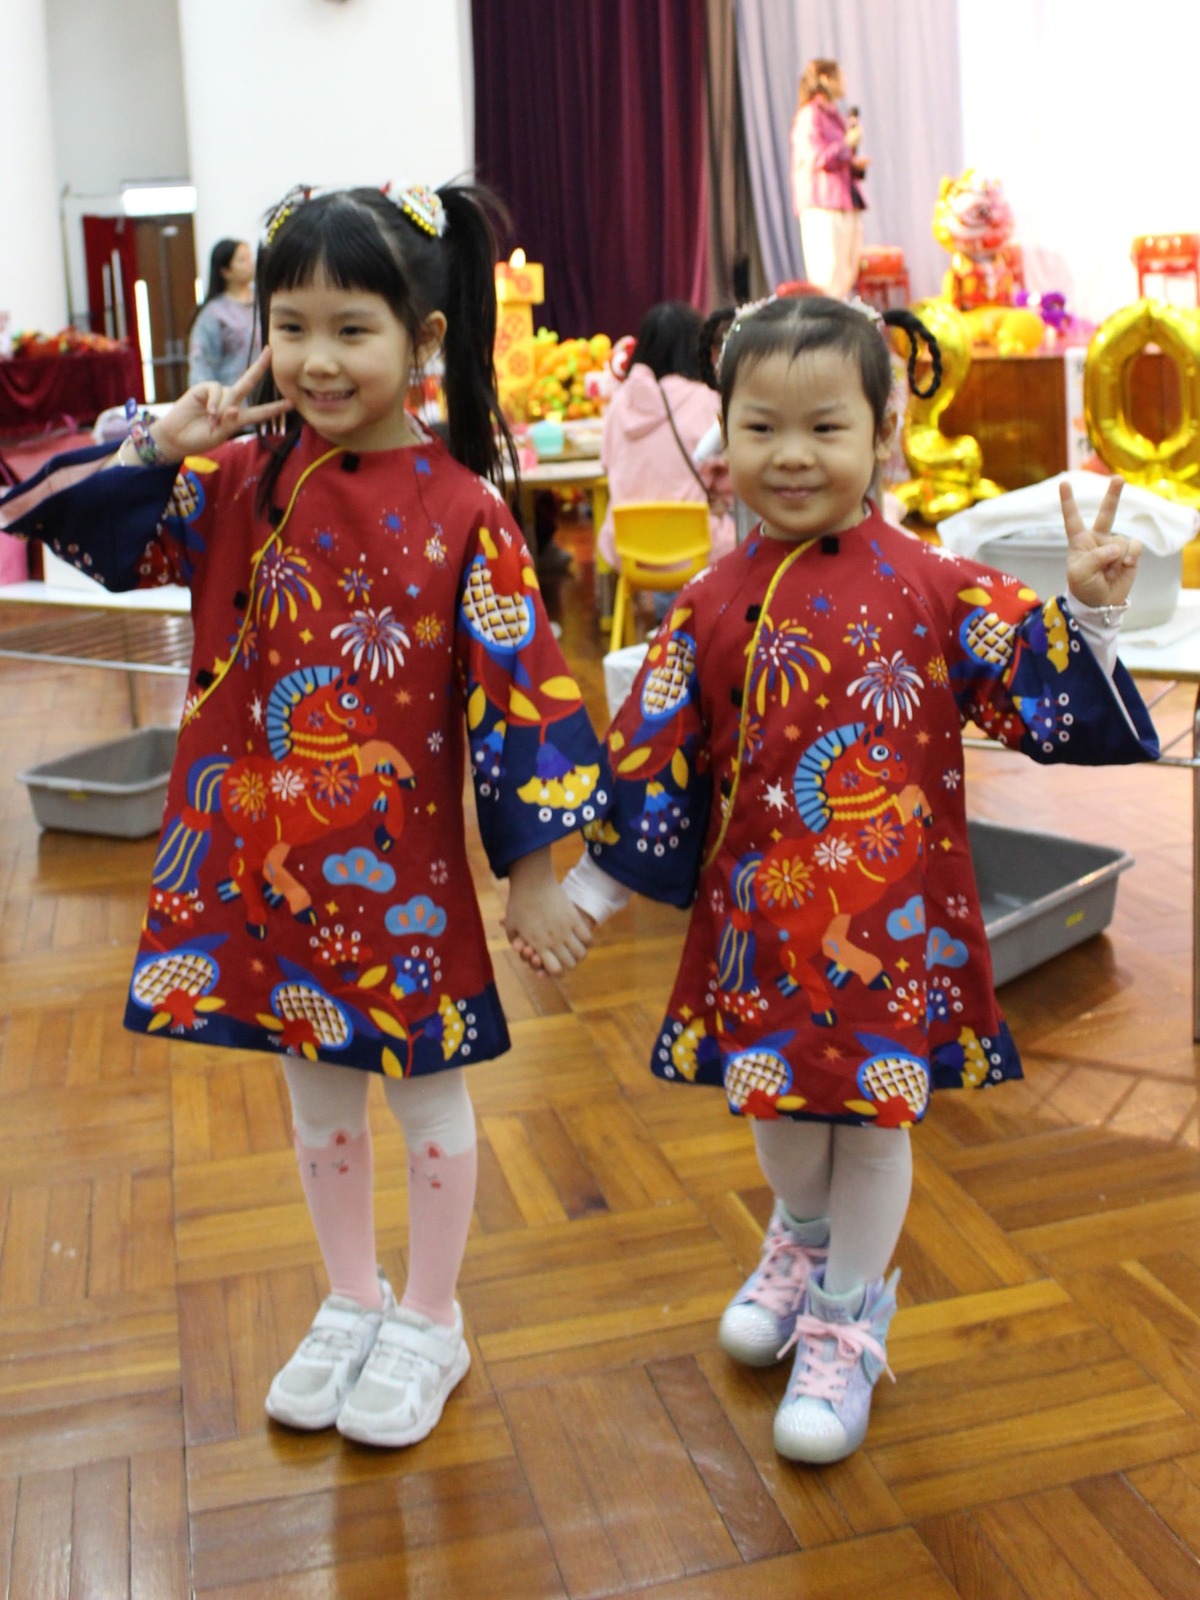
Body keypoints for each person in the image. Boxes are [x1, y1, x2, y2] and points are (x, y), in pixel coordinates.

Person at [1, 180, 604, 1449]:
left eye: (350, 329)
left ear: (422, 340)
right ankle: (351, 1296)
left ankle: (431, 1317)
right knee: (316, 1096)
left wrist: (537, 871)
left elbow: (525, 700)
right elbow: (51, 519)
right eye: (291, 327)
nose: (317, 360)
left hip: (403, 882)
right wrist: (159, 441)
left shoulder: (466, 512)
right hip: (265, 867)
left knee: (425, 1099)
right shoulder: (230, 484)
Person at [527, 295, 1159, 1464]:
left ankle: (848, 1314)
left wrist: (1088, 608)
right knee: (776, 1107)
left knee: (870, 1121)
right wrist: (591, 894)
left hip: (892, 921)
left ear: (883, 434)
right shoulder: (707, 604)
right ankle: (800, 1236)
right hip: (761, 926)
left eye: (825, 427)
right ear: (725, 441)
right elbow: (654, 759)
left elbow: (1035, 685)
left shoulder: (933, 582)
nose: (793, 455)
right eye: (763, 427)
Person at [596, 301, 735, 575]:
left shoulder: (620, 402)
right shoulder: (708, 401)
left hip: (629, 553)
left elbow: (608, 465)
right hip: (697, 551)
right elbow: (729, 479)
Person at [790, 59, 867, 300]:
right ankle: (828, 323)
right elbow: (815, 158)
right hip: (822, 205)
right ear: (825, 78)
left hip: (845, 202)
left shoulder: (836, 116)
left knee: (846, 275)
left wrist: (853, 163)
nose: (845, 81)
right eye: (840, 75)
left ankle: (841, 320)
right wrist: (846, 145)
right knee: (827, 277)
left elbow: (836, 157)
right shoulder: (810, 116)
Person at [187, 237, 259, 387]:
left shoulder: (264, 303)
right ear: (225, 271)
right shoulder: (214, 313)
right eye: (242, 260)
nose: (251, 263)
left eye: (250, 257)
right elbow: (202, 365)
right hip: (231, 396)